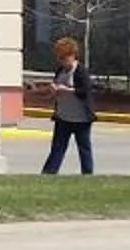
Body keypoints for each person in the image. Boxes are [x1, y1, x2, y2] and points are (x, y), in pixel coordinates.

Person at [37, 36, 95, 175]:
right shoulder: (60, 71)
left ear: (72, 55)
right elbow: (56, 89)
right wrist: (51, 89)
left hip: (81, 119)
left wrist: (66, 89)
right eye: (59, 58)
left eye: (64, 57)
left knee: (84, 148)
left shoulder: (80, 71)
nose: (62, 61)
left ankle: (87, 174)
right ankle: (49, 174)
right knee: (57, 148)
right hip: (63, 117)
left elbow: (85, 91)